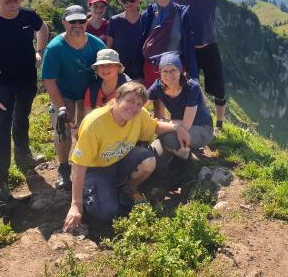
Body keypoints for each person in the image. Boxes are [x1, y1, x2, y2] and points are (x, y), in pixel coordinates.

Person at [116, 0, 286, 129]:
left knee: (218, 88)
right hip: (186, 49)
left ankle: (219, 124)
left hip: (208, 46)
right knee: (185, 86)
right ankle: (185, 122)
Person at [62, 81, 190, 231]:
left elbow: (154, 126)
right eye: (129, 100)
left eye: (138, 104)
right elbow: (79, 164)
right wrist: (76, 204)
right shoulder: (95, 123)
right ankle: (94, 192)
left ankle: (128, 189)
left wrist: (177, 127)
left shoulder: (139, 115)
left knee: (148, 160)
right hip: (96, 169)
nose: (133, 108)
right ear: (117, 98)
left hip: (120, 160)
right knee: (107, 213)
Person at [0, 0, 49, 194]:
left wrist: (40, 51)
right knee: (0, 129)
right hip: (2, 83)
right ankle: (0, 179)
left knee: (21, 119)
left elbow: (43, 27)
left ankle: (24, 157)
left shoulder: (28, 16)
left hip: (27, 79)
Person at [42, 4, 107, 190]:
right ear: (64, 23)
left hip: (88, 92)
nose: (77, 25)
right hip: (64, 92)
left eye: (81, 21)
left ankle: (88, 163)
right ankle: (64, 168)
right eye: (72, 21)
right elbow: (49, 80)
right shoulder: (54, 48)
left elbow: (107, 70)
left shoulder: (97, 45)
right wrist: (61, 107)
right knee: (62, 128)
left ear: (86, 22)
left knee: (87, 129)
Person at [148, 52, 213, 170]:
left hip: (201, 128)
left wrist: (161, 123)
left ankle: (186, 159)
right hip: (177, 126)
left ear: (180, 71)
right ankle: (176, 158)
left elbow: (186, 125)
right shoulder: (158, 86)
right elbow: (139, 104)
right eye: (165, 71)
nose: (169, 75)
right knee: (156, 151)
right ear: (160, 73)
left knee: (166, 137)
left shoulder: (191, 87)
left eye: (173, 70)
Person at [136, 0, 198, 88]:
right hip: (151, 68)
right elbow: (140, 44)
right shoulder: (147, 15)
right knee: (156, 104)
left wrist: (193, 75)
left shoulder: (182, 14)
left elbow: (189, 45)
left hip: (175, 69)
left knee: (176, 103)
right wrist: (138, 74)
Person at [107, 0, 142, 79]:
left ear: (138, 0)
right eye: (124, 0)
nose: (128, 3)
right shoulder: (115, 21)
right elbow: (109, 47)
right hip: (120, 72)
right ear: (120, 2)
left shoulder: (146, 20)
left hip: (141, 72)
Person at [84, 48, 132, 113]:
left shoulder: (130, 88)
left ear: (118, 67)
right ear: (97, 69)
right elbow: (88, 115)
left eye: (110, 65)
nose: (105, 69)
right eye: (101, 65)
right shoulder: (92, 88)